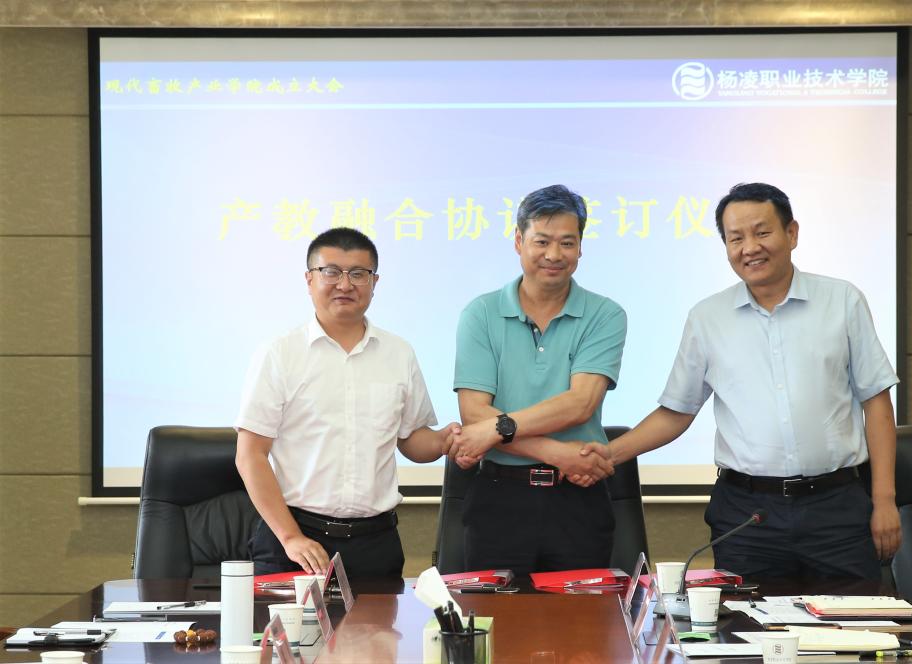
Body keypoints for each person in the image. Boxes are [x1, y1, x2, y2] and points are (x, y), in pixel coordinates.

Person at [584, 182, 901, 580]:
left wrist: (884, 500)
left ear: (792, 233)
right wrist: (607, 455)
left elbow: (876, 402)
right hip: (748, 517)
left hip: (836, 508)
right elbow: (676, 412)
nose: (750, 247)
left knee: (849, 619)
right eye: (736, 238)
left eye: (762, 232)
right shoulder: (708, 318)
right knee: (745, 621)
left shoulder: (842, 301)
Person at [235, 227, 457, 577]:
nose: (344, 284)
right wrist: (291, 537)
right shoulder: (278, 354)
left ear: (374, 282)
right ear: (309, 279)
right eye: (331, 272)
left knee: (384, 617)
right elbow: (250, 455)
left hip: (376, 542)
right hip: (295, 539)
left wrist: (446, 441)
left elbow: (412, 439)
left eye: (358, 274)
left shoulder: (399, 353)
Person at [445, 184, 626, 575]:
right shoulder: (481, 313)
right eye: (542, 241)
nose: (554, 255)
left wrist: (498, 429)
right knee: (494, 612)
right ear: (518, 241)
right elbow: (474, 413)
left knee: (582, 613)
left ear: (580, 247)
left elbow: (580, 404)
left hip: (578, 499)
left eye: (567, 242)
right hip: (500, 497)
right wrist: (556, 453)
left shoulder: (605, 314)